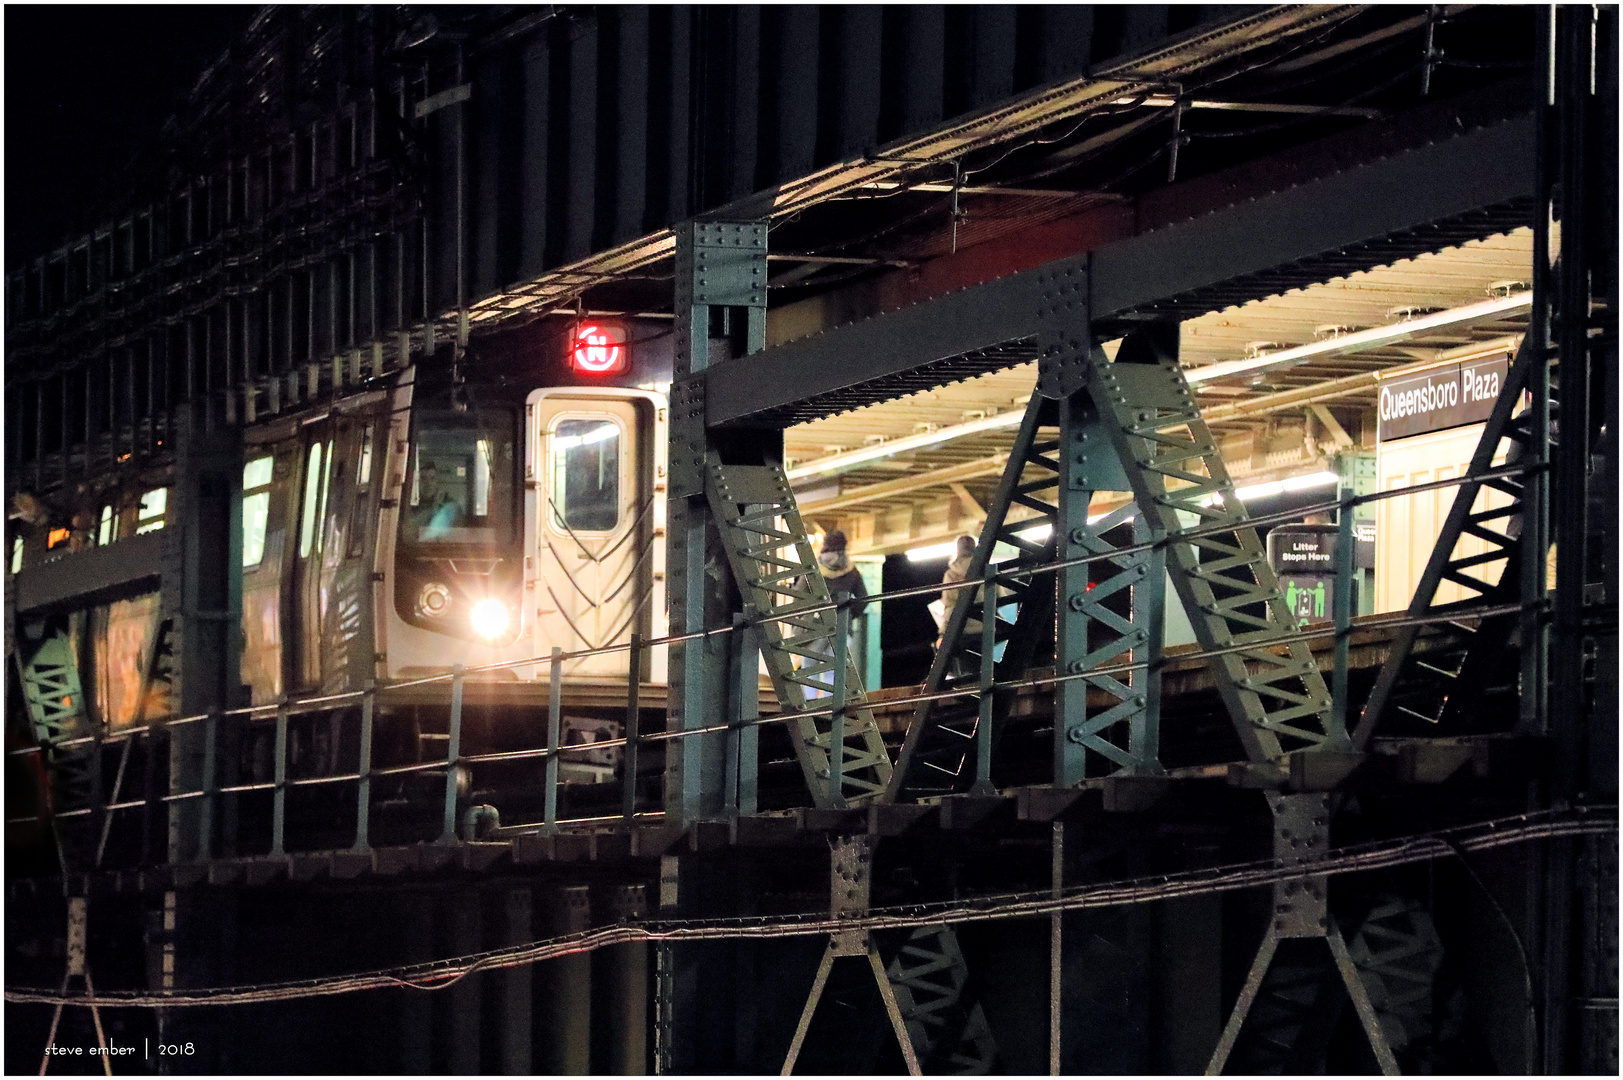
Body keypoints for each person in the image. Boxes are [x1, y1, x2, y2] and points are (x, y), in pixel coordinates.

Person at [411, 460, 463, 539]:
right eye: (423, 478)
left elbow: (457, 534)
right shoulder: (408, 505)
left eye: (432, 478)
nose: (428, 484)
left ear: (437, 481)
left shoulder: (449, 505)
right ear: (416, 481)